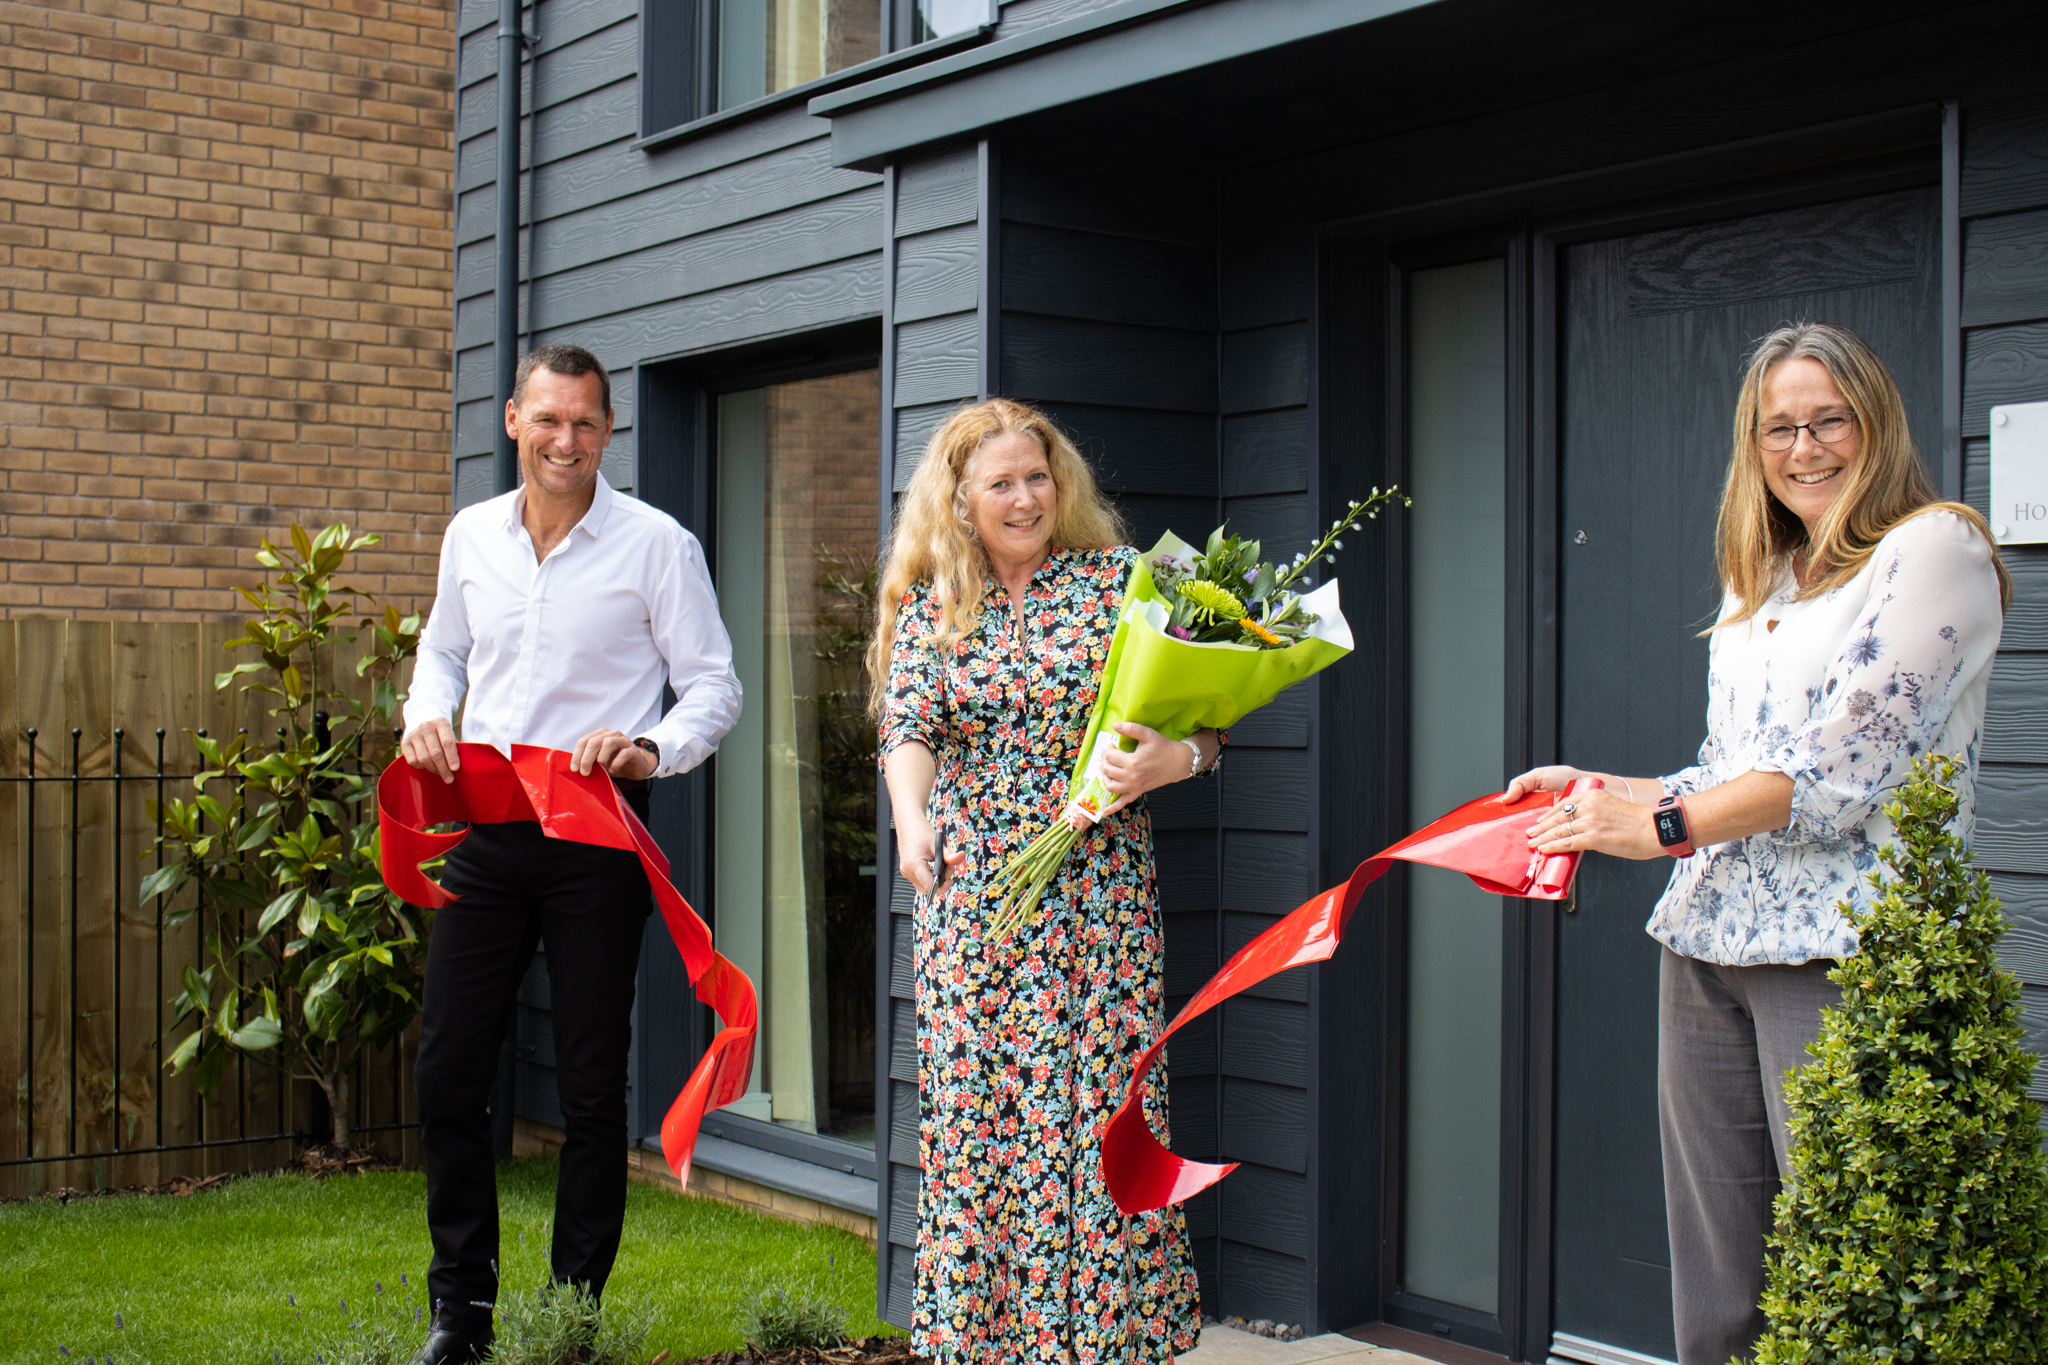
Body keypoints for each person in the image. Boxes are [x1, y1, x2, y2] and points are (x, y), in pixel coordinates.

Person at [1506, 321, 2009, 1365]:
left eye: (1827, 420)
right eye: (1776, 427)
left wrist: (1656, 826)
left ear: (1873, 423)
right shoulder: (1767, 579)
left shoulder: (1935, 546)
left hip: (1841, 951)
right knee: (1720, 1279)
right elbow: (1728, 764)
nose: (1802, 447)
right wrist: (1603, 790)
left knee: (1840, 1256)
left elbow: (1841, 767)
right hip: (1705, 947)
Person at [398, 343, 742, 1364]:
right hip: (491, 836)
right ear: (513, 420)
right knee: (447, 1072)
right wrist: (428, 714)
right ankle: (459, 1313)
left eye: (586, 423)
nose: (566, 441)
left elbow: (713, 688)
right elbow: (444, 650)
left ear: (608, 431)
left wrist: (651, 749)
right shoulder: (472, 536)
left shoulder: (656, 546)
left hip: (599, 839)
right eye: (548, 420)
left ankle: (569, 1317)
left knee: (592, 1088)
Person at [872, 398, 1211, 1363]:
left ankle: (1103, 1342)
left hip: (1096, 895)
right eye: (1001, 483)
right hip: (975, 897)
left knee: (1093, 1110)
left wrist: (1169, 762)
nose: (1025, 498)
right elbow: (910, 728)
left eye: (1038, 477)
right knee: (982, 1115)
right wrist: (911, 821)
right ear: (959, 499)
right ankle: (989, 1344)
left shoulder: (1120, 585)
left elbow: (1209, 718)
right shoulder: (931, 601)